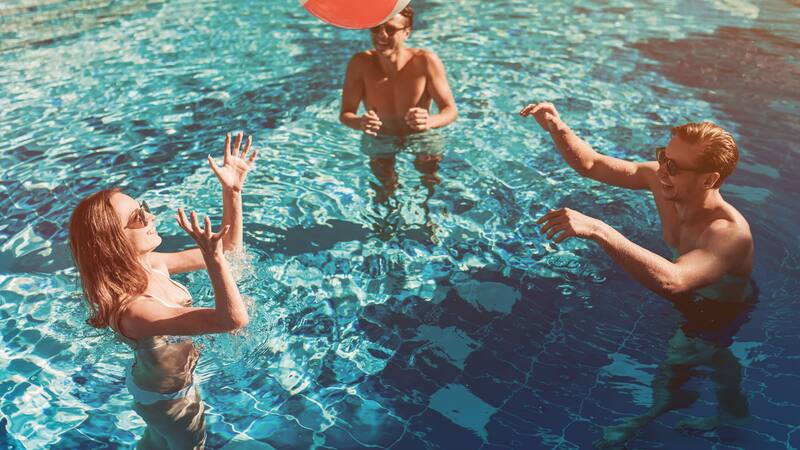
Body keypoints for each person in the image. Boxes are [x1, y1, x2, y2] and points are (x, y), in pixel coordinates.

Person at [519, 103, 755, 446]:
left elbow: (674, 281)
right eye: (663, 156)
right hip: (697, 288)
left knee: (676, 364)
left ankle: (644, 421)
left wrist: (600, 230)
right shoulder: (662, 181)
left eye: (673, 166)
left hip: (714, 310)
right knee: (717, 355)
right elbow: (592, 164)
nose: (662, 169)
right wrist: (558, 127)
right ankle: (734, 411)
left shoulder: (728, 233)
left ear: (709, 180)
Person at [68, 132, 256, 449]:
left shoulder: (152, 263)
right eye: (138, 217)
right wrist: (213, 260)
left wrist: (232, 192)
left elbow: (230, 251)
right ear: (113, 240)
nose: (151, 216)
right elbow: (233, 320)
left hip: (157, 385)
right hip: (169, 399)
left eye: (144, 207)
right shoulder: (135, 308)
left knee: (156, 444)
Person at [339, 5, 457, 235]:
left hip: (421, 135)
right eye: (376, 29)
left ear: (407, 32)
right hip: (380, 136)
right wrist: (360, 123)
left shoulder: (425, 61)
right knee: (384, 185)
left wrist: (429, 121)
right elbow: (346, 113)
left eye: (390, 30)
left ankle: (432, 222)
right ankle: (386, 228)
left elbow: (450, 110)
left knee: (430, 177)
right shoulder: (360, 64)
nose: (381, 36)